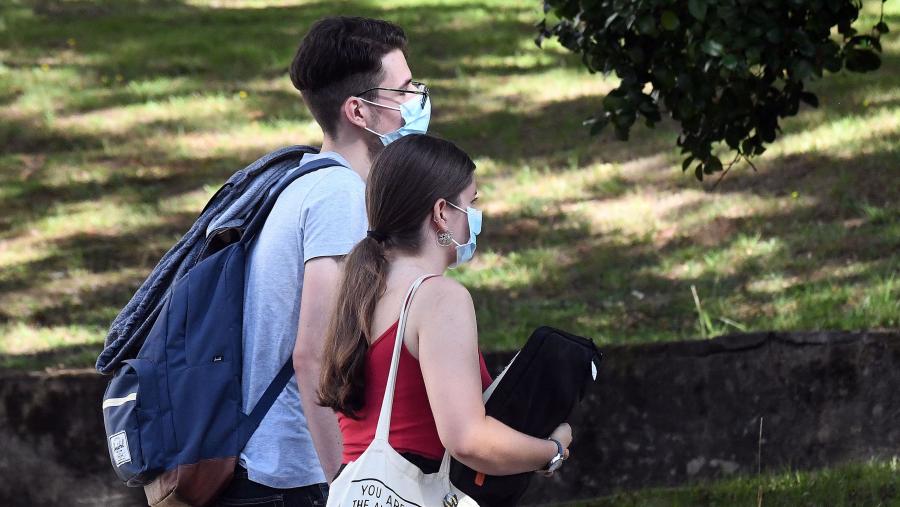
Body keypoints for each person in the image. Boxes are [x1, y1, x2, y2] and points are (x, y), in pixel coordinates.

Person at [216, 16, 432, 506]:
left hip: (269, 471)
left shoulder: (303, 179)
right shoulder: (339, 197)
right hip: (288, 479)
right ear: (359, 109)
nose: (417, 100)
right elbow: (314, 353)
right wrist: (345, 481)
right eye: (403, 91)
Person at [318, 134, 573, 484]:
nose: (476, 216)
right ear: (441, 212)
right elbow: (467, 439)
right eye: (471, 201)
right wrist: (552, 450)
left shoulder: (356, 288)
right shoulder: (438, 298)